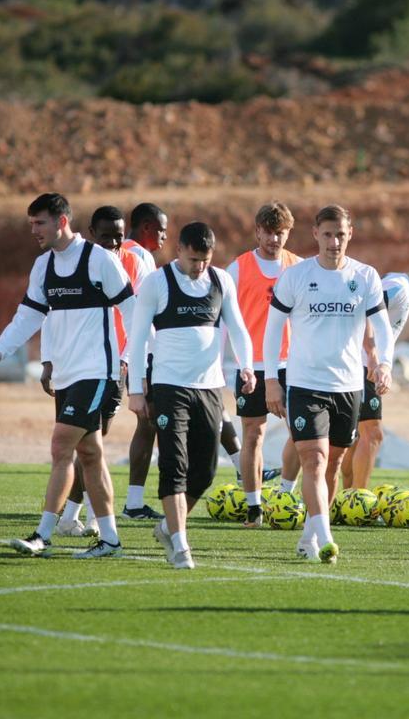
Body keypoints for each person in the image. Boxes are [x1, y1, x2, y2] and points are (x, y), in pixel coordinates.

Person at [0, 193, 130, 559]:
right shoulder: (42, 266)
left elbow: (134, 310)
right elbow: (30, 314)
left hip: (97, 372)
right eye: (31, 223)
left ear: (62, 221)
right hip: (66, 374)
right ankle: (110, 540)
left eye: (40, 223)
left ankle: (43, 535)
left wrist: (140, 359)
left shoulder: (100, 260)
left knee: (61, 445)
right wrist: (2, 347)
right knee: (91, 453)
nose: (34, 230)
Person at [264, 205, 394, 564]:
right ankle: (325, 538)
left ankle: (309, 534)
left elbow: (382, 327)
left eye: (340, 234)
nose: (333, 242)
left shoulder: (365, 276)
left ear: (349, 234)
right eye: (327, 234)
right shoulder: (296, 276)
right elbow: (273, 330)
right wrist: (271, 380)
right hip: (305, 384)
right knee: (314, 459)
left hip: (349, 386)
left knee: (334, 464)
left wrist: (384, 364)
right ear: (315, 235)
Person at [128, 222, 254, 569]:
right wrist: (136, 390)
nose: (199, 266)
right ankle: (181, 545)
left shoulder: (220, 281)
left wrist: (247, 366)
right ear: (179, 250)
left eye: (205, 259)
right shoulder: (157, 283)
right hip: (169, 388)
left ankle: (168, 527)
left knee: (206, 471)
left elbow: (239, 327)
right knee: (174, 464)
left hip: (210, 388)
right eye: (193, 258)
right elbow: (137, 339)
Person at [342, 248, 409, 490]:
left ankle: (348, 497)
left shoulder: (397, 282)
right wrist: (373, 357)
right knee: (373, 435)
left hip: (358, 365)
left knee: (358, 436)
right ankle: (359, 499)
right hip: (363, 366)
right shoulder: (400, 288)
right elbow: (364, 307)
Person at [225, 202, 303, 526]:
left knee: (302, 433)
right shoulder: (237, 269)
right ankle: (254, 508)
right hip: (251, 366)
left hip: (293, 364)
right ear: (257, 231)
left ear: (289, 233)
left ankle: (285, 495)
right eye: (269, 232)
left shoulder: (298, 268)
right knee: (253, 434)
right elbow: (223, 320)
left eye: (280, 233)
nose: (274, 239)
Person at [119, 202, 168, 521]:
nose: (164, 236)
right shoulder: (140, 256)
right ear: (147, 226)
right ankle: (72, 510)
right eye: (161, 229)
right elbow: (144, 310)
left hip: (121, 351)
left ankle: (134, 502)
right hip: (137, 353)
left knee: (148, 425)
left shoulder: (118, 251)